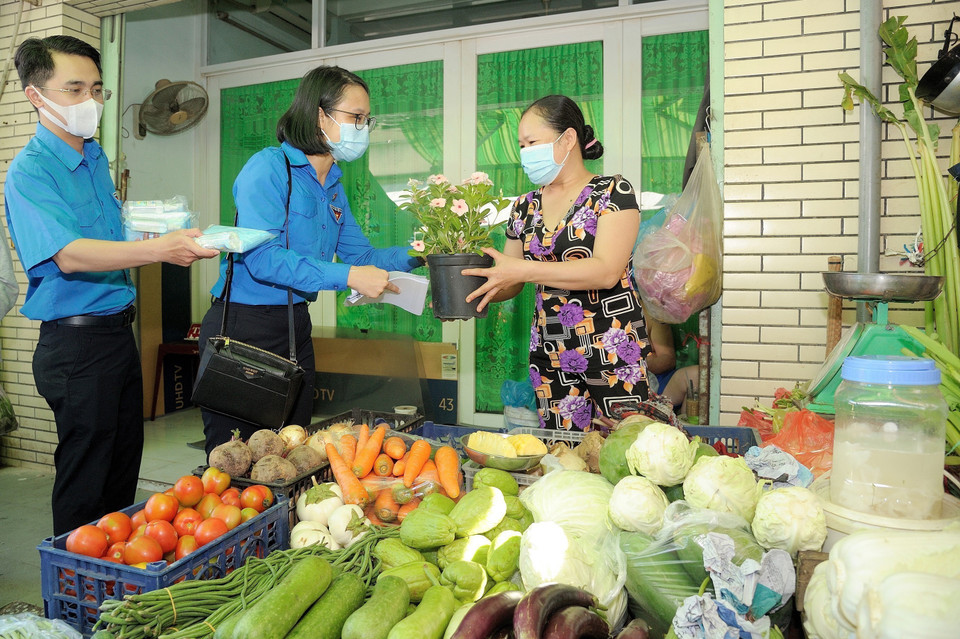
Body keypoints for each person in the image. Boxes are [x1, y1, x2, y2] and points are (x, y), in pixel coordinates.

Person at [4, 35, 220, 535]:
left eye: (97, 89)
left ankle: (118, 579)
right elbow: (70, 253)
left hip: (116, 335)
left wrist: (167, 229)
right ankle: (75, 598)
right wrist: (158, 249)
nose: (91, 102)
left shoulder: (96, 157)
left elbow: (110, 233)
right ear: (37, 96)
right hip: (75, 344)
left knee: (122, 470)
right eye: (74, 89)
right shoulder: (31, 171)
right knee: (86, 482)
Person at [199, 65, 422, 456]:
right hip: (243, 327)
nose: (363, 128)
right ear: (321, 115)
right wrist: (349, 275)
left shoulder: (333, 184)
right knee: (236, 459)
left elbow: (362, 256)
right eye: (356, 117)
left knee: (295, 452)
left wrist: (423, 255)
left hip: (294, 325)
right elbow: (262, 259)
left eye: (367, 119)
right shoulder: (269, 168)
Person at [464, 95, 650, 430]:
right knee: (565, 459)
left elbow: (606, 270)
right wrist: (476, 289)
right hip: (551, 356)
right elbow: (513, 278)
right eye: (521, 145)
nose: (525, 152)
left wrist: (524, 269)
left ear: (567, 139)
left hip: (611, 351)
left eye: (532, 142)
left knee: (627, 453)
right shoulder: (524, 206)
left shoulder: (612, 192)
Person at [644, 309, 699, 416]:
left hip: (654, 384)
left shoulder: (651, 314)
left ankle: (683, 429)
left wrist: (638, 364)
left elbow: (667, 359)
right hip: (610, 386)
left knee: (695, 375)